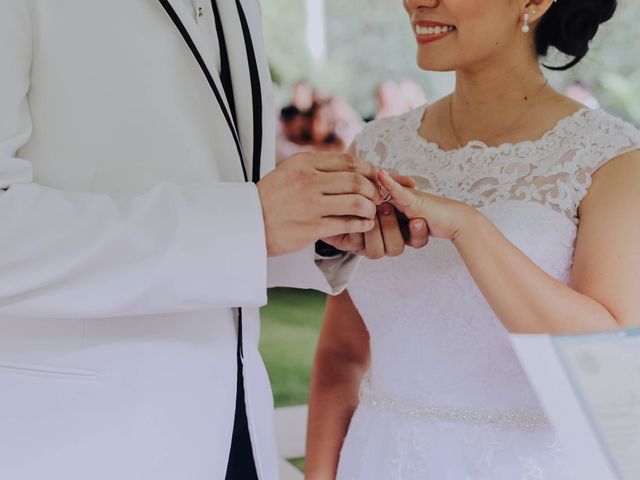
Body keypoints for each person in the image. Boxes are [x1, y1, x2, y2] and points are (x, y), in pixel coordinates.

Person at [0, 2, 428, 479]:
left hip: (238, 427)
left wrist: (320, 230)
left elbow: (224, 196)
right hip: (74, 442)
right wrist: (250, 223)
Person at [307, 0, 640, 478]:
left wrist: (470, 228)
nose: (417, 1)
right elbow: (342, 353)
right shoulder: (376, 147)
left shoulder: (611, 159)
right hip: (378, 459)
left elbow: (608, 373)